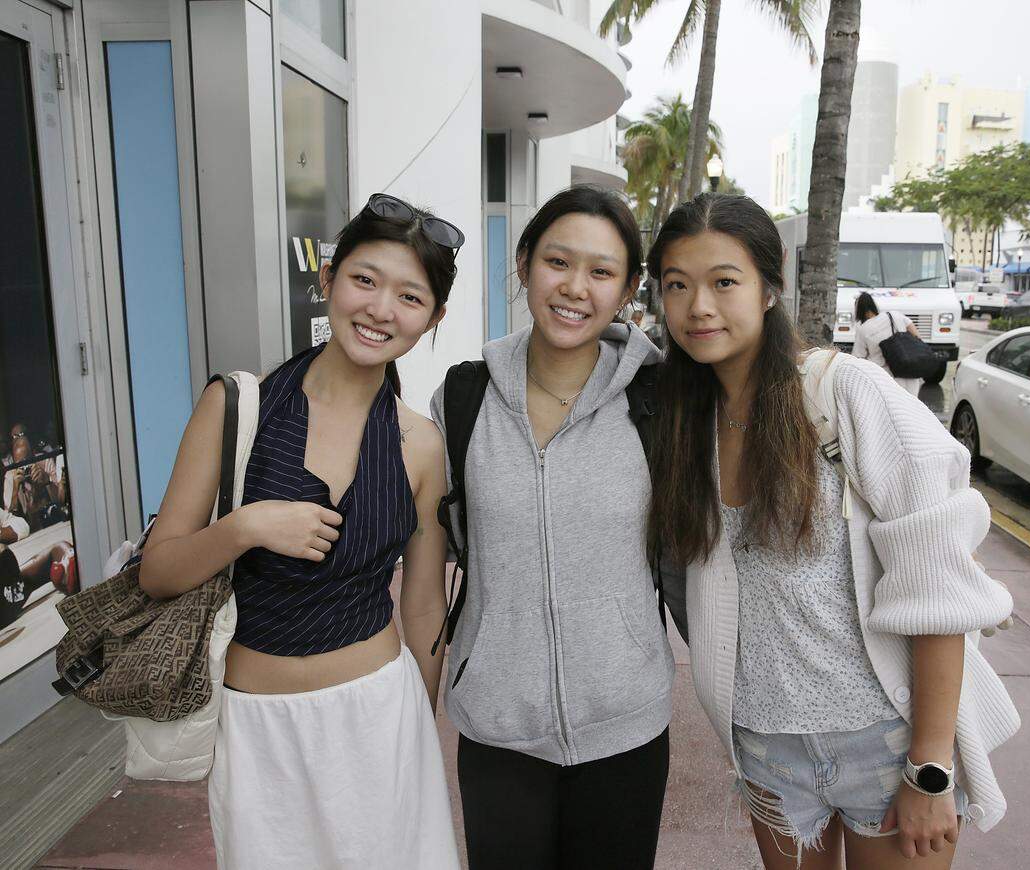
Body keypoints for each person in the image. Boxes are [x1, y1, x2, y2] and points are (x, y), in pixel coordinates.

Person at [646, 193, 1019, 870]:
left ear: (770, 284)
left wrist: (930, 768)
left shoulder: (846, 394)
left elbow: (937, 587)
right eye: (677, 285)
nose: (698, 307)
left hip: (887, 741)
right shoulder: (681, 423)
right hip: (764, 747)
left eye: (723, 281)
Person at [139, 195, 464, 869]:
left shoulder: (421, 443)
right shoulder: (236, 407)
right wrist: (247, 526)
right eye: (365, 280)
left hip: (381, 716)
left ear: (432, 318)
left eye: (409, 296)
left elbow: (425, 601)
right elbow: (158, 571)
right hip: (259, 729)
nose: (380, 309)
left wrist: (420, 728)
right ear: (328, 282)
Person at [432, 185, 674, 869]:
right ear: (523, 264)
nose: (575, 288)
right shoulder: (463, 397)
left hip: (625, 725)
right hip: (497, 727)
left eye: (601, 272)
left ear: (629, 288)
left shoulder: (657, 400)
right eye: (557, 262)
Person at [851, 292, 922, 396]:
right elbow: (916, 335)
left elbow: (858, 357)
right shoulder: (894, 315)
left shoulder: (863, 329)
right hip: (910, 371)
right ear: (873, 305)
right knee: (912, 407)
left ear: (859, 310)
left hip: (885, 377)